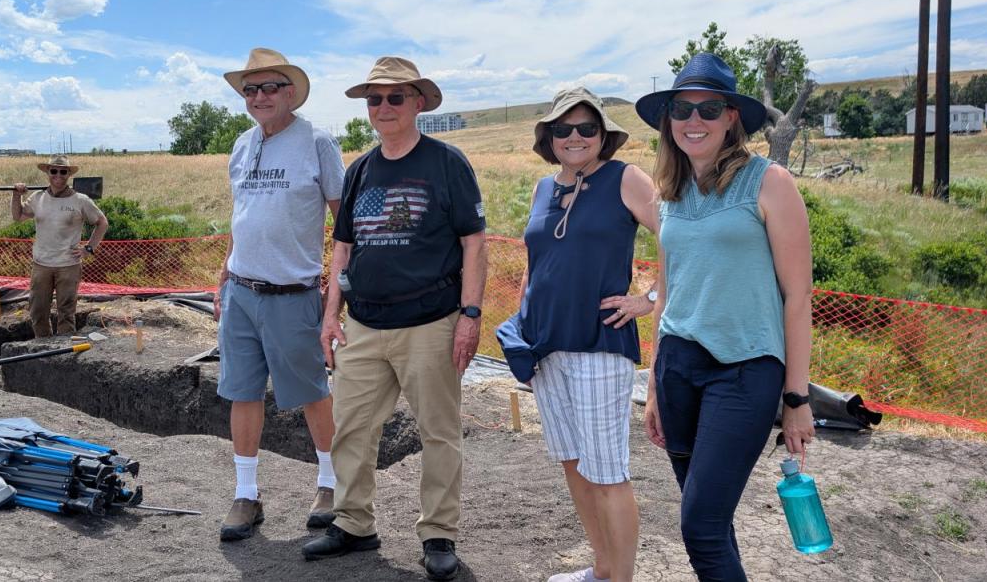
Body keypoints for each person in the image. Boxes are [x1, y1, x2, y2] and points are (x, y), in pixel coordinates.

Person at [632, 53, 816, 582]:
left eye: (709, 109)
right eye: (682, 109)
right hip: (677, 372)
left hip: (744, 372)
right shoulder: (668, 195)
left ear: (732, 116)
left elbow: (797, 298)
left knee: (700, 526)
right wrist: (652, 387)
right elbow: (666, 297)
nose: (694, 120)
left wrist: (796, 399)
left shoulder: (769, 182)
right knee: (711, 520)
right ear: (668, 119)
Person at [303, 56, 487, 582]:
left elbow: (472, 244)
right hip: (362, 324)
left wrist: (471, 315)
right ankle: (354, 523)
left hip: (432, 322)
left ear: (419, 103)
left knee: (438, 432)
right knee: (351, 429)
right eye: (374, 99)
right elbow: (341, 250)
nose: (383, 107)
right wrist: (329, 315)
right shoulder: (360, 169)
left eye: (395, 97)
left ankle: (438, 533)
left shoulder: (447, 164)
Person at [495, 87, 659, 582]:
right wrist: (523, 324)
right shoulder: (544, 188)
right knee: (572, 463)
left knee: (608, 473)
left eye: (587, 128)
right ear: (549, 136)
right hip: (546, 348)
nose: (575, 136)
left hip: (598, 346)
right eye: (563, 128)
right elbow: (536, 262)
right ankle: (603, 570)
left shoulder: (625, 178)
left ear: (603, 135)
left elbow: (679, 239)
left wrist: (649, 301)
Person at [213, 48, 346, 542]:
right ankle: (246, 494)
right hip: (241, 292)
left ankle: (330, 484)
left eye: (270, 87)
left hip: (295, 292)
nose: (260, 96)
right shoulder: (242, 145)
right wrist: (224, 275)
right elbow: (240, 217)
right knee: (241, 391)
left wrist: (337, 293)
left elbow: (344, 222)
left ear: (290, 92)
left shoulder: (317, 142)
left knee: (311, 389)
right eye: (251, 89)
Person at [11, 155, 106, 338]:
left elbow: (102, 222)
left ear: (69, 174)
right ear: (47, 172)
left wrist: (89, 248)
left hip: (68, 265)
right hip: (41, 264)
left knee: (66, 313)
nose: (58, 175)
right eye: (54, 171)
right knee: (37, 310)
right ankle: (42, 346)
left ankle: (63, 352)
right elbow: (18, 216)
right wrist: (16, 195)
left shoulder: (81, 200)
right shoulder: (38, 198)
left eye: (63, 171)